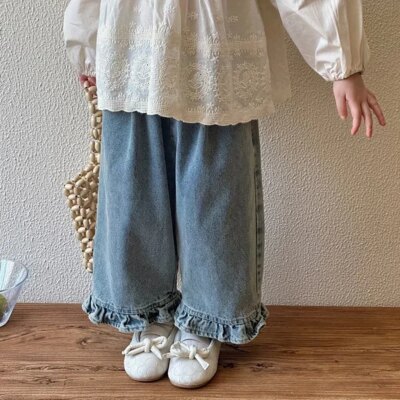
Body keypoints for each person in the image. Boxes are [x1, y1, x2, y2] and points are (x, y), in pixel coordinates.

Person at [63, 0, 386, 389]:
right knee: (133, 190)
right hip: (130, 41)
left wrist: (342, 63)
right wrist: (87, 42)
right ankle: (147, 315)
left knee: (215, 193)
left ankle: (206, 320)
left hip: (215, 45)